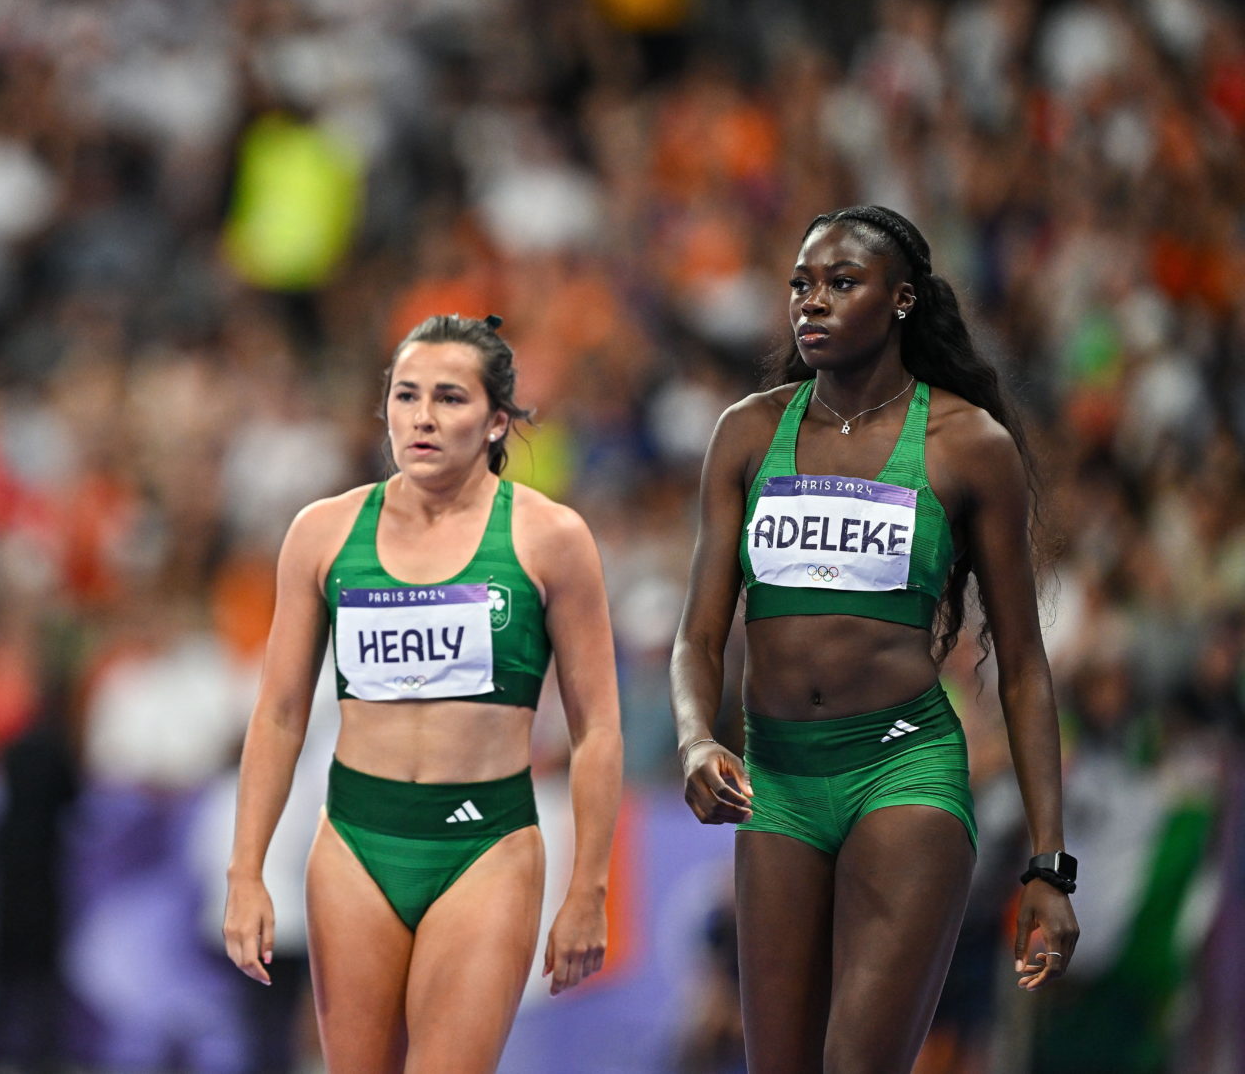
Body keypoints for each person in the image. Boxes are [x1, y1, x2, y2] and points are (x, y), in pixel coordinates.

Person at [668, 205, 1080, 1074]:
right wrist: (697, 735)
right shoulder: (747, 433)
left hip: (903, 769)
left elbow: (1026, 670)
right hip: (775, 779)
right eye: (800, 286)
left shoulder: (968, 444)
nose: (810, 303)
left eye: (840, 283)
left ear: (900, 301)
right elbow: (699, 633)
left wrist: (1049, 863)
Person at [224, 314, 624, 1074]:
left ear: (497, 419)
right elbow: (277, 715)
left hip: (486, 849)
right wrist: (245, 874)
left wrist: (588, 891)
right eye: (406, 395)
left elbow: (598, 726)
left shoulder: (551, 539)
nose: (424, 417)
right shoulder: (323, 533)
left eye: (449, 397)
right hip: (354, 844)